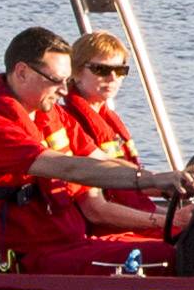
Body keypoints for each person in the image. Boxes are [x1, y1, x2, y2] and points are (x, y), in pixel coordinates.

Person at [0, 27, 194, 274]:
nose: (64, 90)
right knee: (176, 256)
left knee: (191, 242)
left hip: (72, 242)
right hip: (31, 257)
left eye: (66, 80)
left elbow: (101, 159)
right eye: (55, 81)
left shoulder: (51, 115)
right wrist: (151, 180)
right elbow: (70, 167)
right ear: (22, 72)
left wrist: (168, 182)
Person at [59, 31, 159, 234]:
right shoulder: (72, 124)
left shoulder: (107, 119)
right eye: (101, 69)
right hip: (105, 231)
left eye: (120, 70)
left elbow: (127, 183)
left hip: (129, 217)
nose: (112, 77)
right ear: (76, 72)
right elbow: (96, 210)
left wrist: (175, 185)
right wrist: (171, 220)